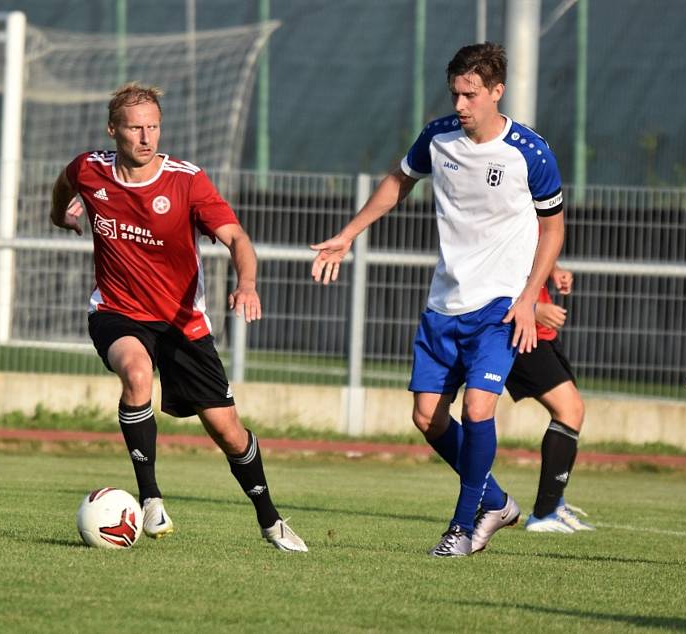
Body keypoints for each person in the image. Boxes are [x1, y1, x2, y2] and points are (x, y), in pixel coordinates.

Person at [311, 42, 565, 557]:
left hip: (499, 307)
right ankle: (496, 501)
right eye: (456, 94)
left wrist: (527, 297)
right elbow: (398, 181)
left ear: (497, 91)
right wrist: (350, 233)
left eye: (471, 94)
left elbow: (553, 228)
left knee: (477, 409)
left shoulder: (529, 151)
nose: (461, 105)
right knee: (427, 418)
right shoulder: (439, 137)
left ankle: (462, 525)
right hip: (443, 303)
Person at [50, 82, 306, 553]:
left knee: (228, 431)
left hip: (182, 322)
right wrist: (60, 213)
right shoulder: (90, 169)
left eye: (153, 127)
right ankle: (150, 497)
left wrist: (246, 282)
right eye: (135, 128)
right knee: (136, 372)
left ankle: (270, 519)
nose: (146, 138)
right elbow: (67, 183)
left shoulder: (187, 181)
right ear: (114, 130)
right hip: (117, 310)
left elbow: (238, 240)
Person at [504, 264, 594, 533]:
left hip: (542, 332)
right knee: (570, 409)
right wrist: (532, 308)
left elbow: (536, 248)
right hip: (520, 329)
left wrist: (553, 270)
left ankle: (554, 504)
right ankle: (543, 513)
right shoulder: (517, 219)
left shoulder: (541, 221)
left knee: (573, 411)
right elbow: (494, 266)